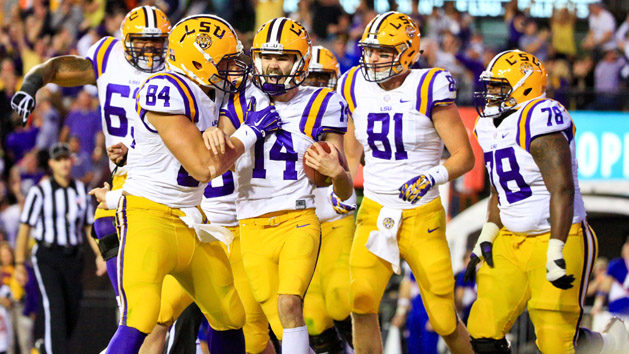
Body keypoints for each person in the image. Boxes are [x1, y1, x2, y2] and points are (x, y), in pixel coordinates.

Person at [97, 14, 281, 354]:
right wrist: (250, 132)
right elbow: (203, 167)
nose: (233, 68)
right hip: (148, 215)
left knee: (229, 313)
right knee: (143, 315)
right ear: (198, 59)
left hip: (191, 219)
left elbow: (214, 142)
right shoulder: (164, 88)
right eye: (225, 61)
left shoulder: (208, 92)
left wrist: (220, 131)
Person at [465, 49, 629, 353]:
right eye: (489, 87)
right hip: (510, 240)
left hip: (557, 235)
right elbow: (499, 188)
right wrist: (486, 235)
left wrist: (556, 248)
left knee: (556, 342)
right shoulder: (487, 126)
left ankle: (608, 345)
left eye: (498, 87)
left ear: (525, 86)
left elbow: (562, 189)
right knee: (482, 332)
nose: (489, 94)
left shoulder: (539, 117)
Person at [10, 5, 172, 312]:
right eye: (142, 41)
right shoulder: (108, 56)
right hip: (124, 174)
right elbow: (56, 68)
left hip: (165, 170)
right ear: (125, 40)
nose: (150, 49)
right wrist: (31, 84)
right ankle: (129, 305)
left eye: (156, 41)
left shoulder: (179, 65)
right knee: (109, 231)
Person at [206, 17, 353, 354]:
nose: (273, 65)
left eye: (283, 57)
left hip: (297, 219)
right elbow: (216, 162)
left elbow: (343, 193)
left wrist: (338, 174)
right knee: (274, 324)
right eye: (266, 57)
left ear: (300, 61)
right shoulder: (239, 101)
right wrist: (211, 133)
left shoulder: (324, 103)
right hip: (251, 225)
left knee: (289, 304)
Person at [339, 11, 475, 354]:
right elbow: (352, 153)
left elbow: (464, 156)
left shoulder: (429, 86)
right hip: (374, 209)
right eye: (369, 51)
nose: (372, 59)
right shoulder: (354, 83)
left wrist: (432, 175)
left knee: (444, 319)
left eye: (382, 52)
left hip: (421, 215)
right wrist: (338, 186)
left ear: (408, 52)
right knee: (361, 303)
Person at [14, 142, 104, 354]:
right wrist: (19, 263)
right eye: (59, 159)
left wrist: (101, 254)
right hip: (47, 256)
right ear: (51, 164)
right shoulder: (40, 192)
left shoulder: (81, 190)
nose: (64, 163)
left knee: (72, 311)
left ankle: (46, 346)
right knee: (55, 308)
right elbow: (25, 228)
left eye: (67, 158)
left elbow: (89, 226)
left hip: (73, 257)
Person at [303, 45, 356, 353]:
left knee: (339, 300)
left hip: (335, 216)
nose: (315, 86)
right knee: (313, 318)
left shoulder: (343, 113)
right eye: (310, 77)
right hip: (300, 221)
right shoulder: (281, 109)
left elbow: (355, 157)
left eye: (322, 78)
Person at [592, 237, 629, 326]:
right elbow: (605, 287)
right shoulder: (617, 265)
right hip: (617, 314)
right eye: (626, 245)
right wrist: (598, 304)